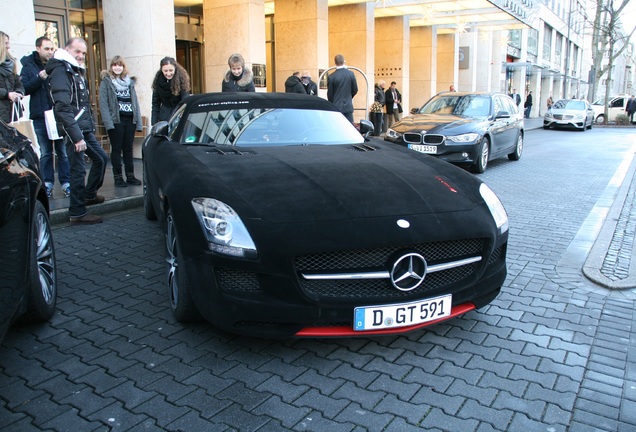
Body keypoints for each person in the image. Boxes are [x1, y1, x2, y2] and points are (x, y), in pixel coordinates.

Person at [47, 37, 109, 225]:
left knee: (100, 158)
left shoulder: (73, 69)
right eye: (77, 52)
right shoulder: (61, 70)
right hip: (74, 130)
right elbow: (63, 108)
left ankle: (88, 195)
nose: (81, 56)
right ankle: (77, 212)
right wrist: (76, 137)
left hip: (83, 127)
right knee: (78, 170)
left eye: (83, 52)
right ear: (67, 50)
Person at [20, 36, 71, 198]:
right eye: (46, 49)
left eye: (52, 49)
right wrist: (39, 78)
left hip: (58, 115)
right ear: (38, 48)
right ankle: (47, 184)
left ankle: (66, 183)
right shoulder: (28, 65)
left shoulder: (57, 63)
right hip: (40, 116)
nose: (50, 52)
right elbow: (24, 89)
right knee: (46, 153)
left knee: (62, 151)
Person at [99, 55, 143, 188]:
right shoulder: (106, 82)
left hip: (130, 119)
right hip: (116, 121)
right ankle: (118, 177)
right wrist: (108, 124)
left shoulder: (129, 82)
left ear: (123, 67)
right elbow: (104, 104)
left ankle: (130, 176)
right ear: (111, 67)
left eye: (120, 65)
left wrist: (138, 122)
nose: (117, 67)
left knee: (128, 148)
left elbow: (135, 102)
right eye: (115, 65)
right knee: (117, 149)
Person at [151, 56, 190, 125]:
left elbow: (185, 101)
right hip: (163, 117)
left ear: (175, 69)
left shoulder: (181, 80)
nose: (168, 74)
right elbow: (155, 104)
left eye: (171, 70)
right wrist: (154, 124)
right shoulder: (157, 81)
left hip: (178, 115)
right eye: (165, 71)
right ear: (161, 70)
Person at [0, 31, 25, 123]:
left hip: (15, 113)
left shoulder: (10, 63)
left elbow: (18, 82)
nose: (9, 46)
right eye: (5, 43)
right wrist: (7, 94)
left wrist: (19, 92)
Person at [327, 54, 358, 123]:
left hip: (336, 106)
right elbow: (355, 89)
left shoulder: (331, 77)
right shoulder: (351, 74)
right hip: (348, 105)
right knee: (350, 128)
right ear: (344, 61)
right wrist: (349, 97)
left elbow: (330, 94)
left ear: (335, 63)